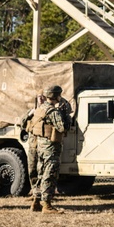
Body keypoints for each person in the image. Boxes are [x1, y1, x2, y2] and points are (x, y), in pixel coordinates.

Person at [28, 84, 72, 214]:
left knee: (41, 173)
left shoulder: (40, 109)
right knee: (50, 174)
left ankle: (36, 201)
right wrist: (66, 115)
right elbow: (63, 128)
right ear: (56, 96)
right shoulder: (53, 111)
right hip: (50, 147)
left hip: (40, 146)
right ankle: (46, 205)